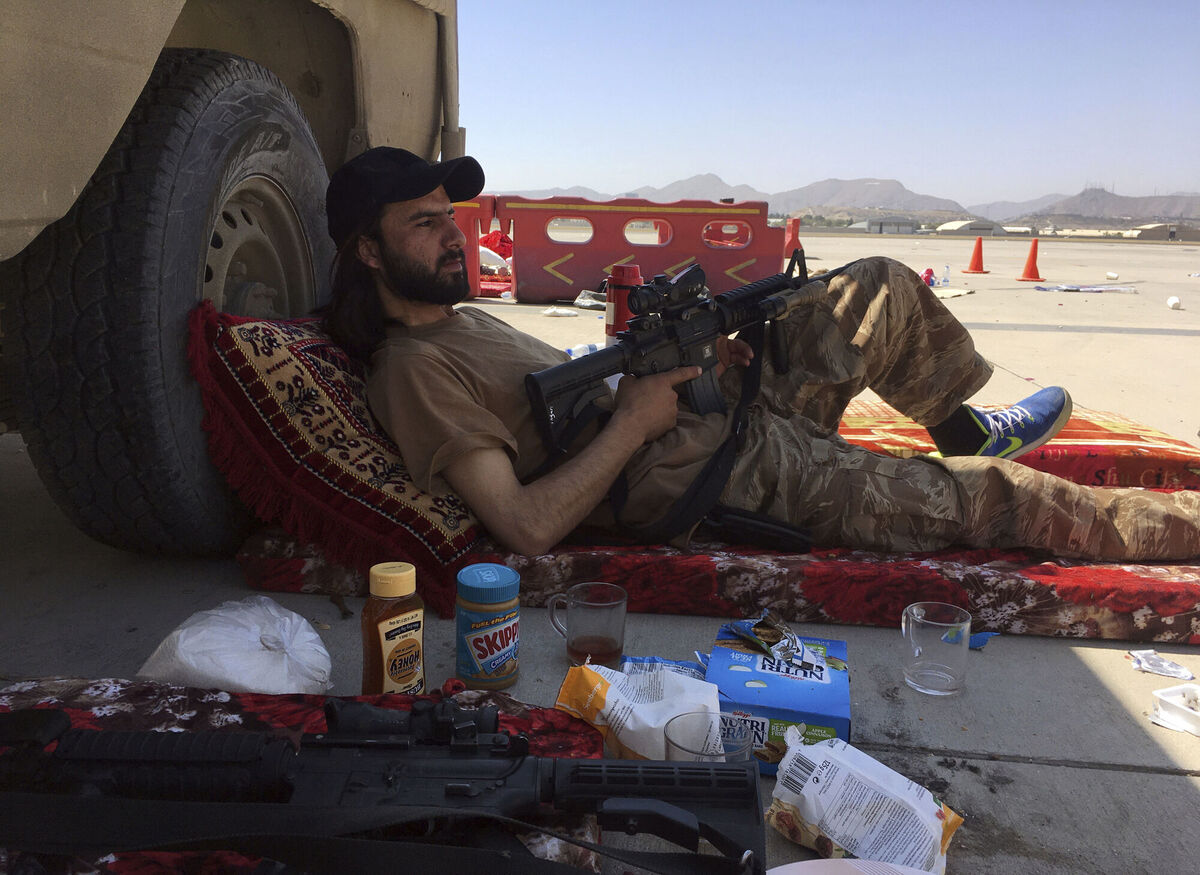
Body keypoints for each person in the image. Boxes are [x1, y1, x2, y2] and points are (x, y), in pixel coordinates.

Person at [321, 147, 1200, 562]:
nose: (453, 240)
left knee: (873, 289)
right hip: (721, 477)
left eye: (452, 218)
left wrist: (703, 370)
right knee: (992, 503)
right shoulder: (413, 371)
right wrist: (636, 419)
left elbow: (576, 401)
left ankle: (963, 426)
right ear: (368, 250)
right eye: (425, 224)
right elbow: (524, 525)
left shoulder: (461, 322)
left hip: (706, 421)